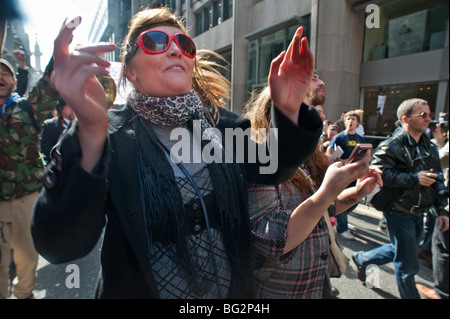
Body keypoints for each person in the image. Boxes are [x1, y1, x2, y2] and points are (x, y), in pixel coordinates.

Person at [31, 8, 322, 299]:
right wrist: (91, 132)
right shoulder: (109, 136)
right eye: (155, 41)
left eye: (184, 44)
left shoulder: (224, 126)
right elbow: (59, 246)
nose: (174, 50)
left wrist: (288, 109)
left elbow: (274, 168)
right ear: (130, 71)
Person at [243, 86, 382, 298]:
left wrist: (359, 191)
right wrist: (327, 191)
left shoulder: (304, 159)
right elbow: (270, 240)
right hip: (279, 290)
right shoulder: (257, 158)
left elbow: (324, 212)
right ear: (278, 114)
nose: (322, 116)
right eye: (310, 109)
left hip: (316, 284)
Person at [353, 98, 449, 299]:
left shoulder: (429, 146)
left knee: (404, 249)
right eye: (422, 115)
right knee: (407, 264)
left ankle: (363, 259)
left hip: (420, 212)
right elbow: (380, 175)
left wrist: (441, 211)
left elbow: (438, 178)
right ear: (405, 119)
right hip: (398, 210)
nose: (428, 119)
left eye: (429, 114)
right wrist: (414, 178)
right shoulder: (392, 145)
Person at [1, 56, 59, 299]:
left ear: (15, 82)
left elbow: (49, 84)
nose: (0, 78)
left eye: (5, 74)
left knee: (26, 256)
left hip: (27, 196)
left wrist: (59, 52)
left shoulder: (27, 108)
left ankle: (24, 294)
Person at [326, 111, 366, 240]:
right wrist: (340, 161)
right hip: (342, 175)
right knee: (342, 199)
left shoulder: (360, 139)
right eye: (348, 119)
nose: (350, 121)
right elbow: (329, 155)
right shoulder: (339, 137)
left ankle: (338, 215)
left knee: (354, 201)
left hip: (355, 176)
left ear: (357, 123)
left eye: (353, 119)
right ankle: (342, 228)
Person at [40, 98, 75, 165]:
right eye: (69, 107)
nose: (73, 110)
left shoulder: (81, 126)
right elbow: (45, 146)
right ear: (60, 109)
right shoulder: (49, 125)